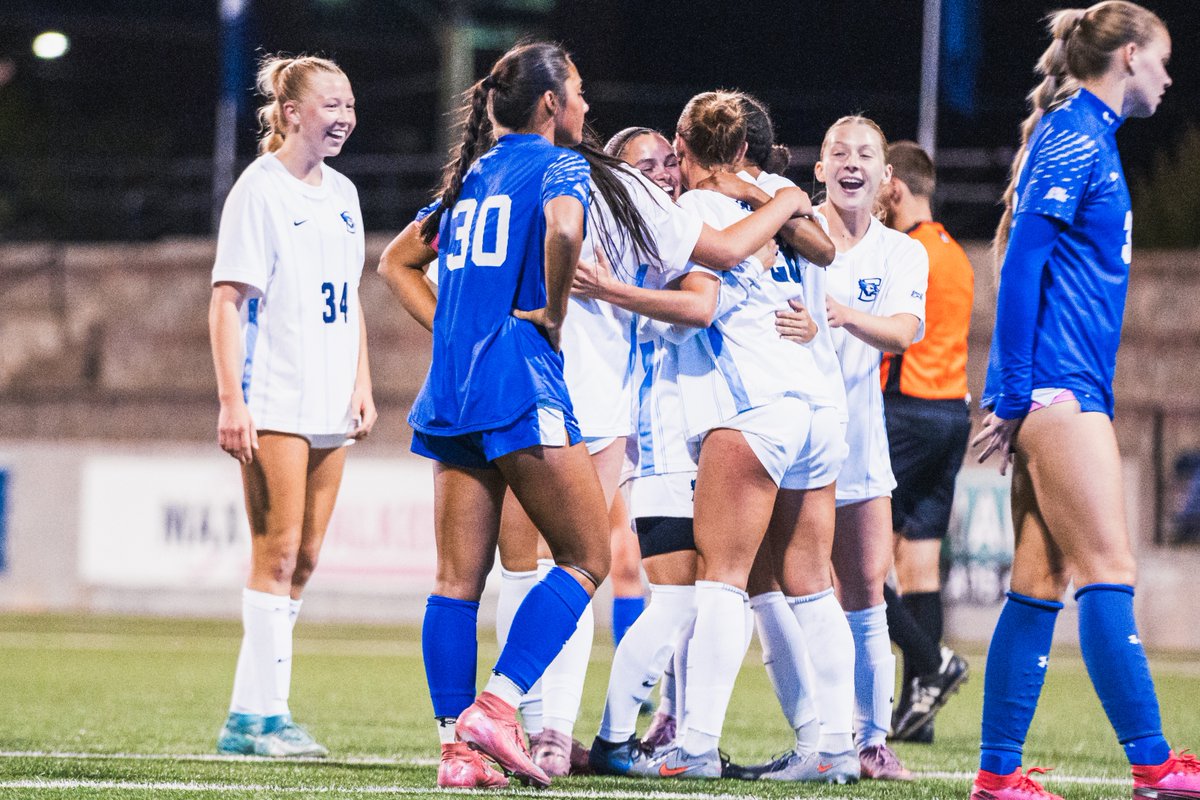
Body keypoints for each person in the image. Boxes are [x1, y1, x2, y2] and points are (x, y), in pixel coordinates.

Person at [971, 4, 1197, 800]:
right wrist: (1010, 391)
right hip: (1060, 389)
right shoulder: (1074, 135)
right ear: (1130, 57)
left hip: (1059, 387)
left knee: (1039, 581)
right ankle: (1154, 763)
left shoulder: (1087, 137)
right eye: (1163, 62)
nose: (1170, 78)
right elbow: (1020, 262)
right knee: (1111, 569)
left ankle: (998, 777)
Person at [209, 54, 376, 758]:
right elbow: (225, 302)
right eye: (330, 104)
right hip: (274, 397)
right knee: (274, 555)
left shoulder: (342, 192)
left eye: (349, 103)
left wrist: (363, 381)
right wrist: (232, 400)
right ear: (291, 112)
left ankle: (248, 716)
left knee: (304, 559)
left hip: (330, 402)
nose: (343, 116)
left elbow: (351, 297)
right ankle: (265, 718)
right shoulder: (259, 189)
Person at [816, 115, 928, 781]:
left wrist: (842, 313)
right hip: (787, 437)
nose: (851, 162)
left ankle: (871, 742)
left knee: (865, 591)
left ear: (887, 179)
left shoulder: (901, 253)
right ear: (821, 169)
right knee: (751, 588)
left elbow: (904, 331)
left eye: (866, 155)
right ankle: (813, 739)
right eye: (839, 152)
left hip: (858, 442)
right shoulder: (789, 235)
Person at [877, 140, 973, 744]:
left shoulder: (907, 253)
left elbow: (892, 334)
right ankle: (919, 718)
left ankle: (933, 663)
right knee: (921, 568)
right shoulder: (955, 254)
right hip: (951, 416)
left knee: (853, 563)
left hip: (908, 413)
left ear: (895, 187)